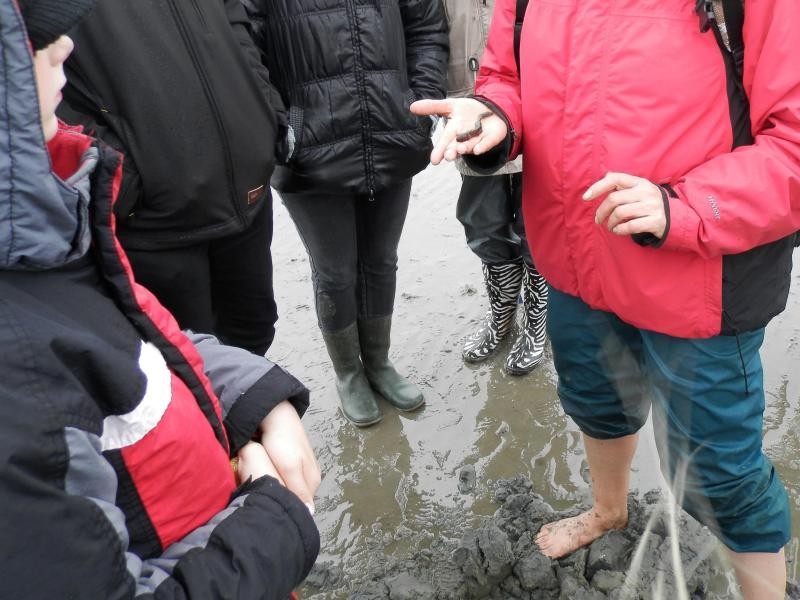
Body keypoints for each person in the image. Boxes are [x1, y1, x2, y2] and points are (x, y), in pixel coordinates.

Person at [412, 0, 800, 597]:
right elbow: (509, 78)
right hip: (575, 263)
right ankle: (608, 509)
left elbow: (793, 142)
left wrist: (690, 206)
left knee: (720, 474)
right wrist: (493, 117)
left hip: (700, 283)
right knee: (595, 401)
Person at [0, 1, 320, 597]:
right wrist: (273, 521)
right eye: (36, 37)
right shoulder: (21, 353)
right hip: (156, 216)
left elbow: (138, 342)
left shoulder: (46, 243)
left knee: (251, 323)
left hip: (240, 196)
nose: (63, 44)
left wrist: (250, 397)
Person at [240, 0, 449, 427]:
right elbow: (244, 46)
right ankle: (349, 373)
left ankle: (379, 362)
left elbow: (426, 25)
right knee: (334, 271)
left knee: (381, 260)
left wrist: (420, 103)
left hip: (392, 131)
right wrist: (282, 124)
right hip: (309, 147)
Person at [57, 0, 288, 356]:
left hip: (246, 191)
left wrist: (264, 110)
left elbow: (235, 17)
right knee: (184, 359)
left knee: (254, 331)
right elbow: (27, 76)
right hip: (154, 223)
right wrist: (123, 173)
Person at [443, 0, 547, 375]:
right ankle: (501, 318)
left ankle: (536, 323)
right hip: (469, 113)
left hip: (538, 113)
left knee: (538, 229)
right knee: (483, 224)